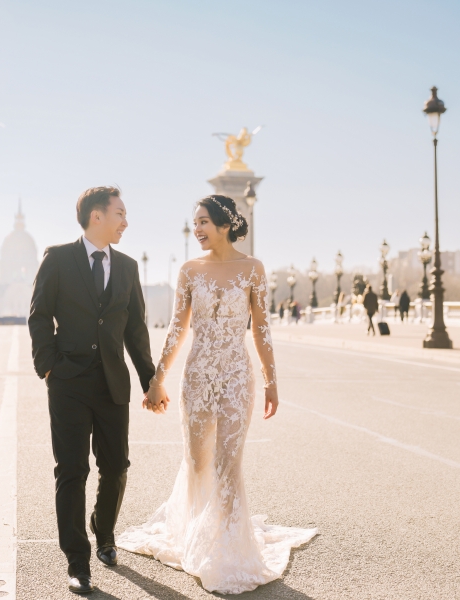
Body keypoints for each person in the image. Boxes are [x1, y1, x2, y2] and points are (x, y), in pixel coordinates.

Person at [118, 195, 316, 594]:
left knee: (229, 462)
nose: (198, 229)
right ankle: (193, 533)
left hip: (237, 377)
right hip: (197, 376)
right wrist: (157, 379)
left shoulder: (253, 268)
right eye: (195, 223)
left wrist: (271, 380)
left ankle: (225, 548)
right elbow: (177, 329)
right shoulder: (190, 271)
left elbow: (260, 328)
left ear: (226, 224)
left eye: (205, 221)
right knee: (197, 461)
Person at [28, 186, 156, 595]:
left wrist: (149, 380)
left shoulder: (128, 267)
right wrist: (49, 365)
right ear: (96, 216)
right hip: (68, 382)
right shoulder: (59, 257)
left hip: (112, 383)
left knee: (116, 466)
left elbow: (136, 329)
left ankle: (103, 529)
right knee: (71, 470)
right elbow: (39, 314)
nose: (126, 221)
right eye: (120, 212)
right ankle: (78, 560)